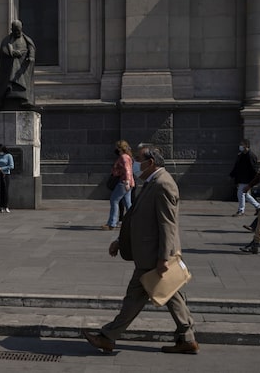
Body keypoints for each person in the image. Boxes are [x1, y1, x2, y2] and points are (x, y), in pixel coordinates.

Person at [82, 145, 198, 355]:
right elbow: (137, 216)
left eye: (138, 159)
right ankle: (187, 338)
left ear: (150, 162)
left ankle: (108, 337)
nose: (135, 163)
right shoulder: (152, 182)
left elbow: (168, 225)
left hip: (153, 256)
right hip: (150, 253)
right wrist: (120, 240)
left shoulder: (163, 184)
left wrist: (163, 258)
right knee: (172, 294)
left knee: (135, 298)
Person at [0, 20, 36, 110]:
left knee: (21, 81)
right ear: (11, 29)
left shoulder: (26, 39)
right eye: (15, 31)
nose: (17, 32)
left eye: (18, 30)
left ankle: (24, 100)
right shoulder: (6, 40)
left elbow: (31, 49)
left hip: (23, 69)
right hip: (9, 69)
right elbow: (4, 50)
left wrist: (31, 57)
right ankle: (7, 96)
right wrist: (11, 53)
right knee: (9, 80)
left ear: (21, 29)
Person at [101, 140, 134, 230]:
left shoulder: (124, 157)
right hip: (127, 182)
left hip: (123, 182)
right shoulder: (127, 156)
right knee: (128, 203)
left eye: (117, 147)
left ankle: (112, 223)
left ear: (119, 148)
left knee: (114, 200)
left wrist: (127, 182)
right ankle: (133, 221)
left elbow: (128, 170)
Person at [229, 138, 260, 217]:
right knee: (245, 195)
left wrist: (254, 180)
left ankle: (241, 210)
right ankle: (259, 206)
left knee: (240, 193)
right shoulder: (241, 155)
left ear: (246, 145)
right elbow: (237, 166)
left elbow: (253, 169)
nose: (240, 146)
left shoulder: (251, 156)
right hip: (241, 178)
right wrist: (232, 175)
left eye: (242, 144)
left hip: (246, 179)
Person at [0, 144, 14, 213]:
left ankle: (6, 206)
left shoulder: (8, 156)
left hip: (6, 174)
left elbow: (11, 166)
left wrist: (2, 168)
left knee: (5, 191)